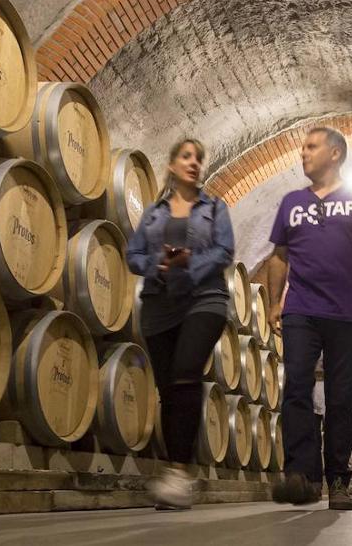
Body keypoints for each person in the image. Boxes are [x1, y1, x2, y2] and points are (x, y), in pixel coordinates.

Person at [266, 127, 352, 511]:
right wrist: (275, 302)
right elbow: (278, 256)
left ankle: (338, 479)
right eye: (303, 147)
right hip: (301, 309)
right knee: (297, 388)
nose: (303, 153)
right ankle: (301, 476)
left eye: (311, 147)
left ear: (335, 153)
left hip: (347, 311)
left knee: (340, 397)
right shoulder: (291, 201)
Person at [126, 138, 234, 510]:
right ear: (172, 165)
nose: (194, 163)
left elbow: (224, 251)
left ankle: (177, 473)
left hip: (205, 299)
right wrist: (156, 264)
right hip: (159, 304)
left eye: (199, 158)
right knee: (169, 389)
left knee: (187, 372)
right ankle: (176, 472)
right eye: (186, 157)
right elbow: (132, 254)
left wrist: (190, 262)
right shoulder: (153, 213)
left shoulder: (214, 207)